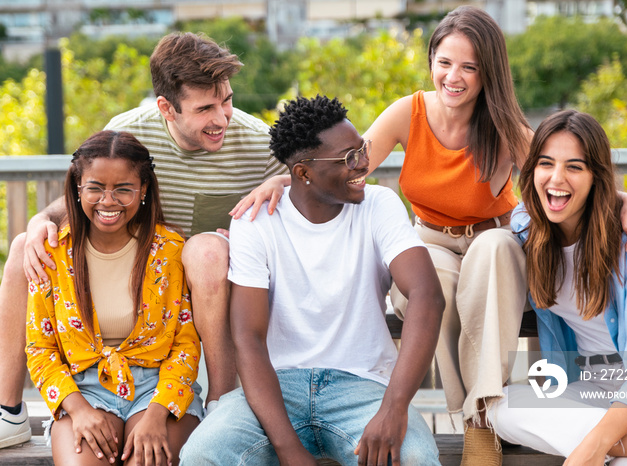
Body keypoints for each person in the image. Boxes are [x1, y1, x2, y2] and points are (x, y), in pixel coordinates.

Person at [231, 6, 627, 465]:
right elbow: (345, 167)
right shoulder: (409, 112)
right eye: (444, 62)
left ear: (487, 73)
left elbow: (562, 168)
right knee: (431, 280)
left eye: (469, 67)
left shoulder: (501, 125)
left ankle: (482, 421)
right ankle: (474, 417)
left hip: (491, 244)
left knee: (494, 248)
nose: (453, 76)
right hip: (430, 240)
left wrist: (625, 200)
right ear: (432, 61)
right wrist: (280, 180)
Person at [0, 31, 288, 432]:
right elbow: (92, 191)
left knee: (204, 251)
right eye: (205, 108)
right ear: (167, 108)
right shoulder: (130, 131)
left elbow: (321, 184)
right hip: (148, 272)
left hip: (216, 274)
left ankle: (222, 401)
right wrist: (38, 222)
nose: (222, 118)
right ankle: (8, 410)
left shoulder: (258, 141)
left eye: (227, 100)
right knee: (20, 249)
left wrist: (286, 182)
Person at [180, 95, 445, 465]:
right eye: (349, 158)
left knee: (415, 459)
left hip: (364, 388)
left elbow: (427, 297)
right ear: (303, 173)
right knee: (201, 456)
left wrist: (394, 408)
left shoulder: (379, 205)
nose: (364, 163)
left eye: (361, 150)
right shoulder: (255, 222)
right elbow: (249, 339)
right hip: (276, 388)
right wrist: (290, 451)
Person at [489, 109, 627, 466]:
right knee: (501, 408)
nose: (556, 178)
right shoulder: (529, 229)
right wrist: (594, 446)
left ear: (594, 177)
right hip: (593, 386)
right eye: (545, 163)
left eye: (574, 167)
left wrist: (590, 447)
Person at [25, 131, 204, 466]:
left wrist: (156, 415)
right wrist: (77, 410)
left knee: (146, 461)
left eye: (123, 189)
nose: (108, 201)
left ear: (144, 190)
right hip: (82, 387)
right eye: (95, 188)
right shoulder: (53, 253)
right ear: (78, 189)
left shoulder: (170, 251)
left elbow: (186, 344)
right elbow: (40, 348)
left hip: (157, 387)